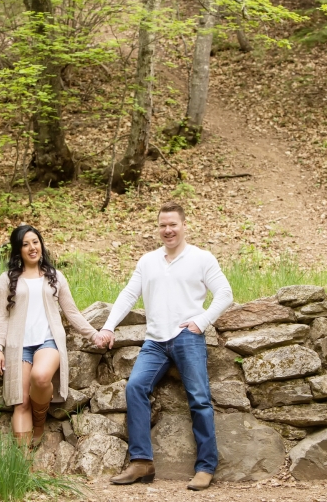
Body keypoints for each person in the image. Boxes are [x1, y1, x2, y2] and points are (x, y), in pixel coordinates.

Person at [98, 202, 233, 491]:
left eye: (173, 224)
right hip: (155, 342)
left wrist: (202, 321)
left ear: (184, 226)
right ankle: (142, 462)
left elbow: (225, 293)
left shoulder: (201, 258)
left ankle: (205, 467)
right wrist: (108, 326)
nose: (168, 230)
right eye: (163, 225)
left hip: (187, 336)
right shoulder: (148, 261)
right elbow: (128, 295)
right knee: (135, 387)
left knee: (199, 398)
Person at [0, 225, 107, 447]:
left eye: (35, 242)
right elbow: (1, 316)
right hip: (18, 346)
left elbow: (72, 312)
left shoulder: (55, 277)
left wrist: (95, 336)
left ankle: (39, 423)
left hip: (48, 341)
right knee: (21, 402)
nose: (32, 248)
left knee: (41, 377)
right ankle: (23, 461)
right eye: (25, 244)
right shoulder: (7, 279)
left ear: (41, 245)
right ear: (18, 250)